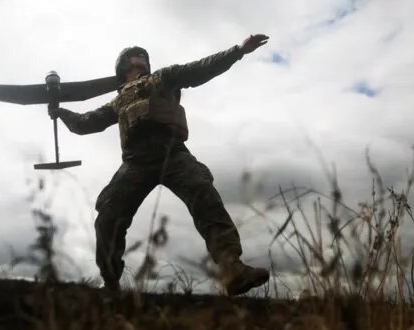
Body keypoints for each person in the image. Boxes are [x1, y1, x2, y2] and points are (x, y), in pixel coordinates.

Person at [49, 34, 270, 296]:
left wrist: (237, 51)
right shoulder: (118, 101)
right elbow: (86, 123)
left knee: (204, 195)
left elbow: (199, 69)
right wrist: (60, 112)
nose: (141, 58)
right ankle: (110, 282)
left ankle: (232, 268)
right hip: (135, 163)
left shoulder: (163, 78)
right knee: (108, 217)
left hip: (173, 155)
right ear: (122, 66)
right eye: (135, 55)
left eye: (144, 56)